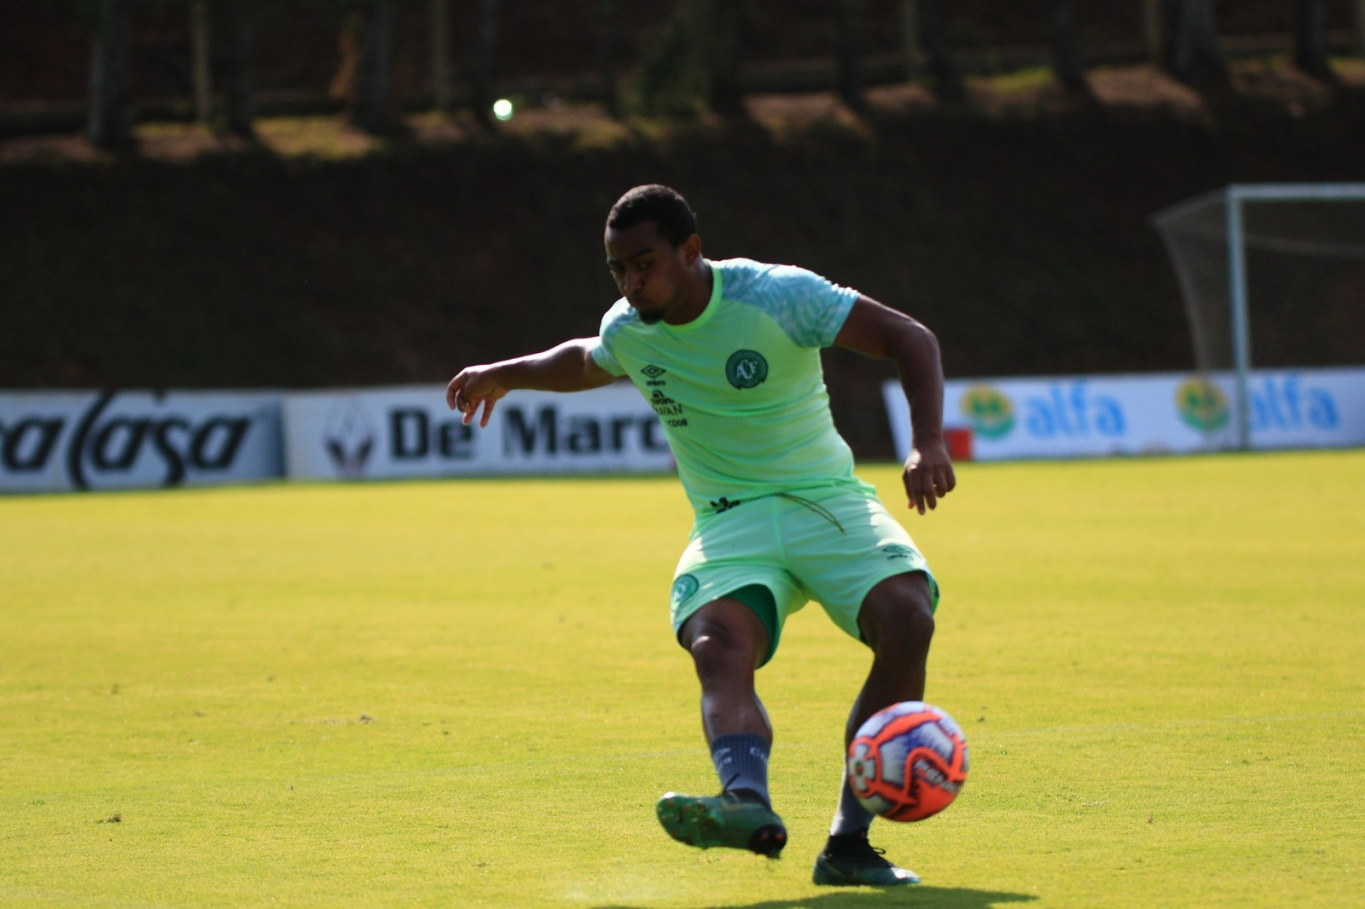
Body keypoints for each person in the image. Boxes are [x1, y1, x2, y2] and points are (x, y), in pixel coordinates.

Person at [446, 184, 955, 887]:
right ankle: (744, 800)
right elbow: (587, 358)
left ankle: (849, 840)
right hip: (729, 520)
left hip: (823, 499)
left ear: (691, 250)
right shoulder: (631, 325)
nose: (630, 283)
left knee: (907, 619)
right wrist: (502, 374)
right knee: (716, 642)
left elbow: (909, 337)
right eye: (617, 269)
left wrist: (926, 441)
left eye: (644, 263)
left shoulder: (778, 296)